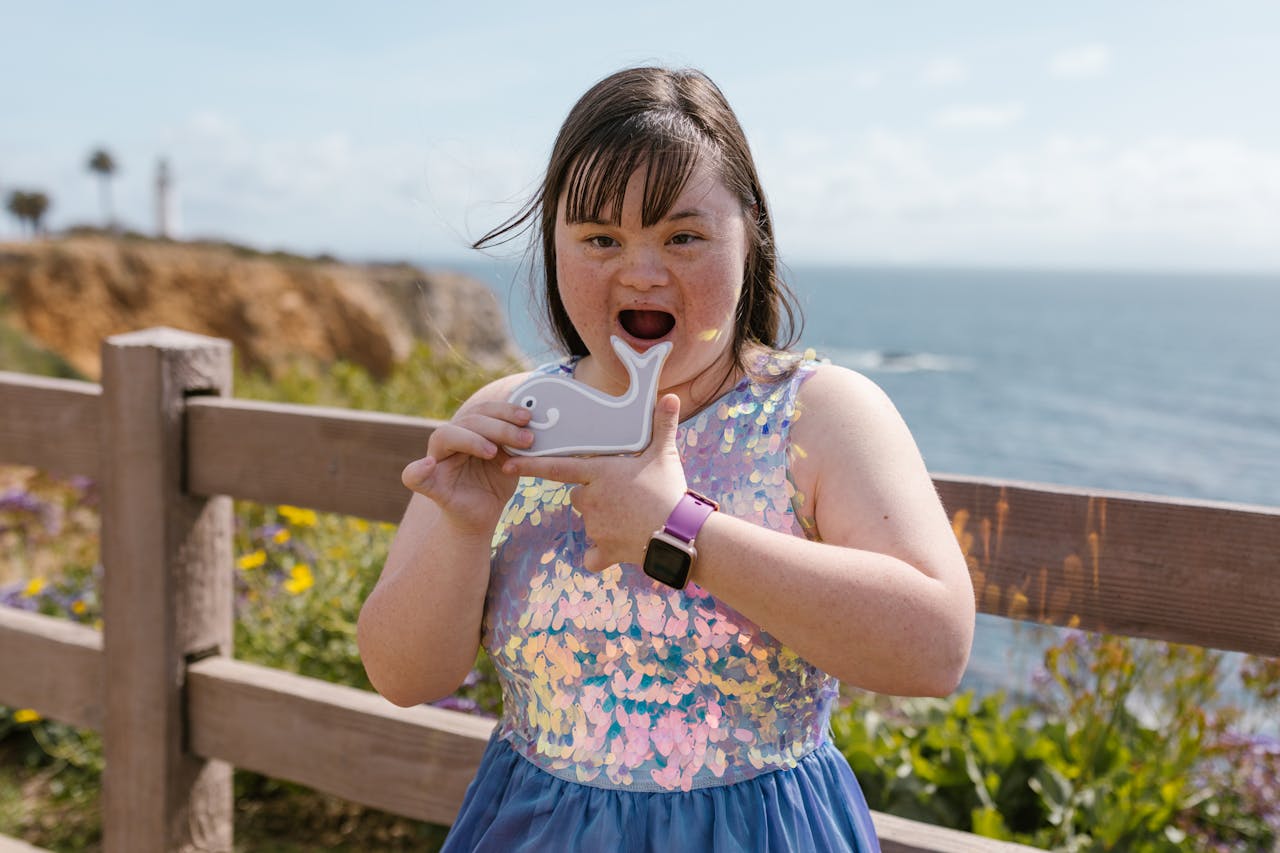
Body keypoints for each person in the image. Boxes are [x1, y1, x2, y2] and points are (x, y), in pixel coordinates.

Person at [357, 66, 975, 852]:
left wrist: (679, 530)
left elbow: (937, 647)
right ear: (554, 243)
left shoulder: (818, 413)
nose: (642, 272)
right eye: (600, 239)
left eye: (682, 236)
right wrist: (463, 525)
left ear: (749, 235)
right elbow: (402, 676)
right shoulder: (521, 416)